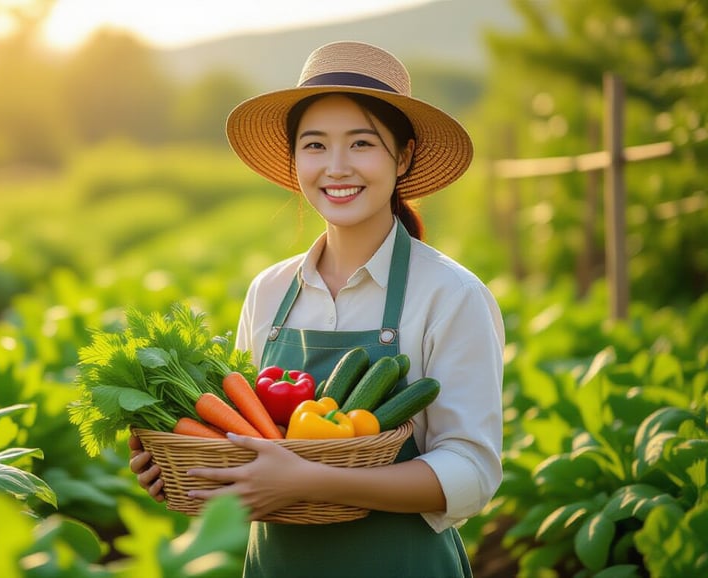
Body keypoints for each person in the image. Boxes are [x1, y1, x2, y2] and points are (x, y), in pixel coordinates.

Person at [128, 40, 504, 577]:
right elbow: (248, 450)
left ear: (403, 156)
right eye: (314, 145)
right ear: (294, 159)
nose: (336, 167)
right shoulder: (269, 291)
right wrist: (180, 468)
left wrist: (316, 480)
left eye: (361, 143)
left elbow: (470, 472)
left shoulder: (451, 295)